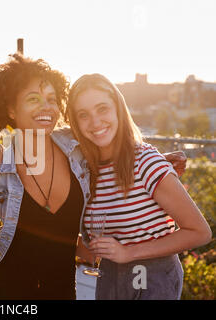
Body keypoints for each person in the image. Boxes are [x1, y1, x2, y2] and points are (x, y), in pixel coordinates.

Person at [0, 54, 188, 300]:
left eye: (52, 99)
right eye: (33, 99)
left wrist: (158, 159)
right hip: (5, 294)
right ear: (10, 109)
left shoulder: (77, 149)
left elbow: (112, 145)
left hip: (62, 292)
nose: (46, 107)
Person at [66, 73, 211, 300]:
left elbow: (200, 232)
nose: (95, 122)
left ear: (118, 109)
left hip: (151, 276)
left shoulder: (146, 161)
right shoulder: (83, 169)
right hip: (109, 275)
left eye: (102, 109)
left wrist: (128, 253)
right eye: (83, 115)